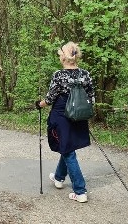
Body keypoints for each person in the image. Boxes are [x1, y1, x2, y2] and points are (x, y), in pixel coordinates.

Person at [38, 42, 94, 203]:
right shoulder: (85, 74)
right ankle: (58, 177)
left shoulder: (59, 75)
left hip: (62, 115)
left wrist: (39, 104)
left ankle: (80, 190)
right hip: (79, 115)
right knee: (68, 146)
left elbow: (50, 98)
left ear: (63, 57)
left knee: (68, 150)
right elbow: (92, 97)